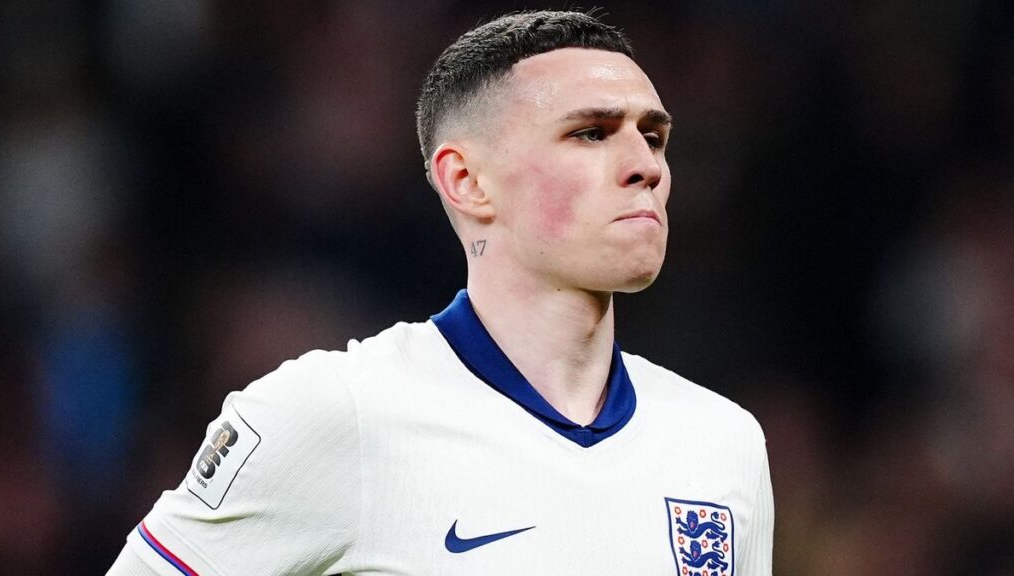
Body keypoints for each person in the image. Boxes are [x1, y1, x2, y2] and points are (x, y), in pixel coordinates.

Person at [107, 10, 773, 575]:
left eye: (653, 137)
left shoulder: (723, 444)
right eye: (590, 133)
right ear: (467, 182)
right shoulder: (336, 414)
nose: (646, 166)